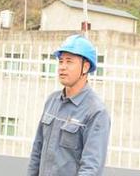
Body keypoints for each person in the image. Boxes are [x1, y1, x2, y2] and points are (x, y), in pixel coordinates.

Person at [27, 34, 111, 176]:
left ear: (85, 67)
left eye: (69, 62)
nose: (62, 67)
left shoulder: (96, 112)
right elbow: (37, 150)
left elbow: (91, 168)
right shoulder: (52, 101)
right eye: (61, 61)